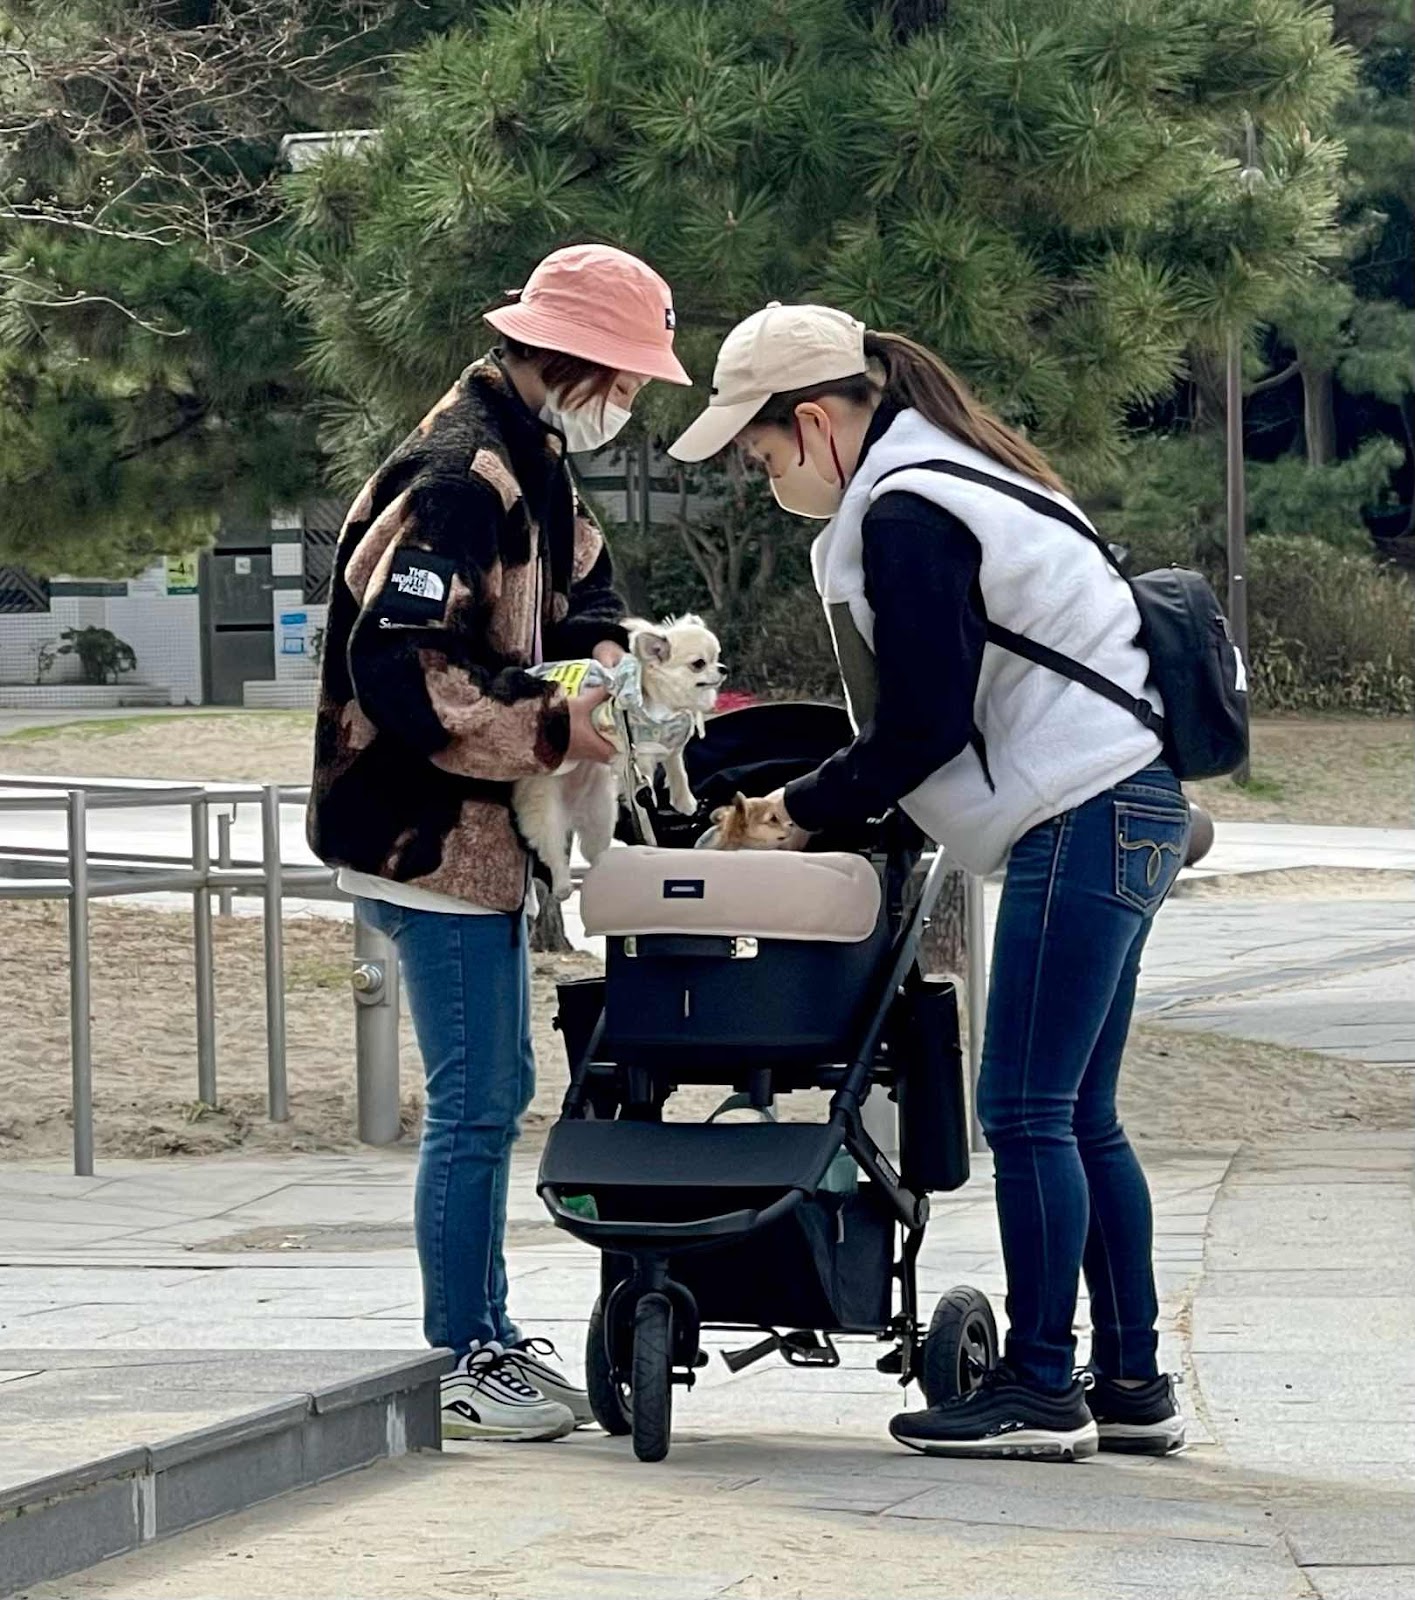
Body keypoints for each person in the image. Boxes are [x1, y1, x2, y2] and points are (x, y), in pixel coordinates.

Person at [669, 304, 1191, 1461]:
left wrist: (797, 810)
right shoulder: (964, 471)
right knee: (1079, 1113)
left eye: (760, 451)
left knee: (1027, 1110)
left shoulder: (906, 509)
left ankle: (1041, 1386)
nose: (763, 476)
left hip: (1080, 813)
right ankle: (1130, 1381)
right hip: (1131, 805)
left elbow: (920, 725)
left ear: (814, 421)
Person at [309, 243, 690, 1442]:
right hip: (424, 836)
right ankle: (460, 1354)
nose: (627, 402)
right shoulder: (459, 475)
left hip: (472, 834)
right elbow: (401, 668)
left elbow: (583, 590)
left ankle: (485, 1332)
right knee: (477, 1100)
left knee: (495, 1090)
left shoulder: (531, 457)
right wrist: (553, 724)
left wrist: (608, 652)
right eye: (624, 378)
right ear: (573, 360)